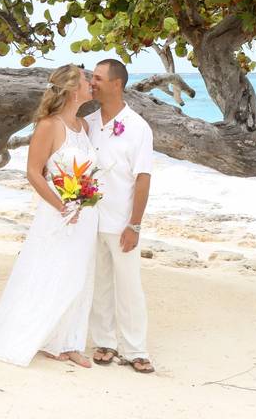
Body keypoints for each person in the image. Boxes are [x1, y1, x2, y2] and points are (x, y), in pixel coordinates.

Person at [0, 64, 97, 368]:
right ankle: (37, 336)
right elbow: (34, 172)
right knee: (49, 270)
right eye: (86, 80)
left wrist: (84, 199)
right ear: (73, 89)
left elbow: (86, 171)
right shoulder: (49, 125)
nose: (91, 84)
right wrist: (62, 206)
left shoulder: (84, 126)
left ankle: (68, 342)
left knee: (78, 276)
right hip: (57, 213)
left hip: (85, 213)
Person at [85, 59, 155, 374]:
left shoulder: (138, 127)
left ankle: (136, 350)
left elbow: (142, 178)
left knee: (129, 287)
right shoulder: (89, 122)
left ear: (117, 83)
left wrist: (134, 224)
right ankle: (104, 342)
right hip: (90, 219)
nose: (92, 82)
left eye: (98, 78)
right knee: (99, 284)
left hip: (121, 223)